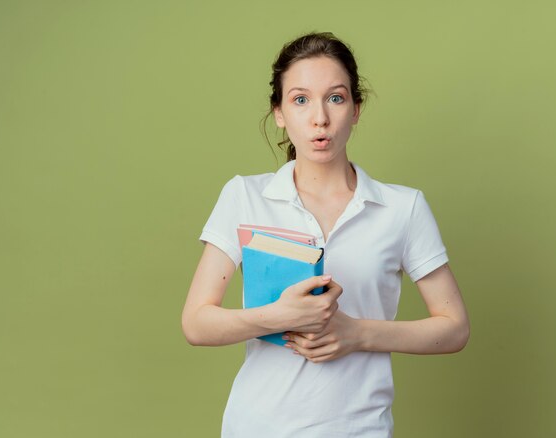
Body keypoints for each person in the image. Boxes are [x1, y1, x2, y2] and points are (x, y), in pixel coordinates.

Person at [182, 32, 470, 437]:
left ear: (355, 109)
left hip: (360, 428)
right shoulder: (245, 196)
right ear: (279, 112)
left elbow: (455, 327)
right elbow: (196, 324)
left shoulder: (403, 208)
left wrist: (359, 334)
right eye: (300, 100)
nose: (320, 118)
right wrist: (277, 317)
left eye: (335, 98)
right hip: (256, 427)